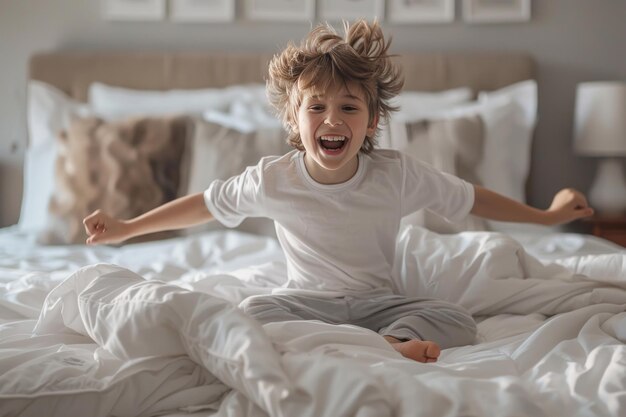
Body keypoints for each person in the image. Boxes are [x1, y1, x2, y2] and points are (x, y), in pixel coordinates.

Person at [83, 20, 594, 363]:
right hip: (301, 303)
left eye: (349, 108)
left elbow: (472, 198)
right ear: (293, 118)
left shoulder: (396, 174)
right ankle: (366, 346)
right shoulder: (273, 178)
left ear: (372, 122)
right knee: (251, 314)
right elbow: (205, 205)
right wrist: (128, 228)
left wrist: (546, 216)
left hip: (379, 304)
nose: (333, 119)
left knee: (455, 318)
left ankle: (387, 344)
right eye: (316, 108)